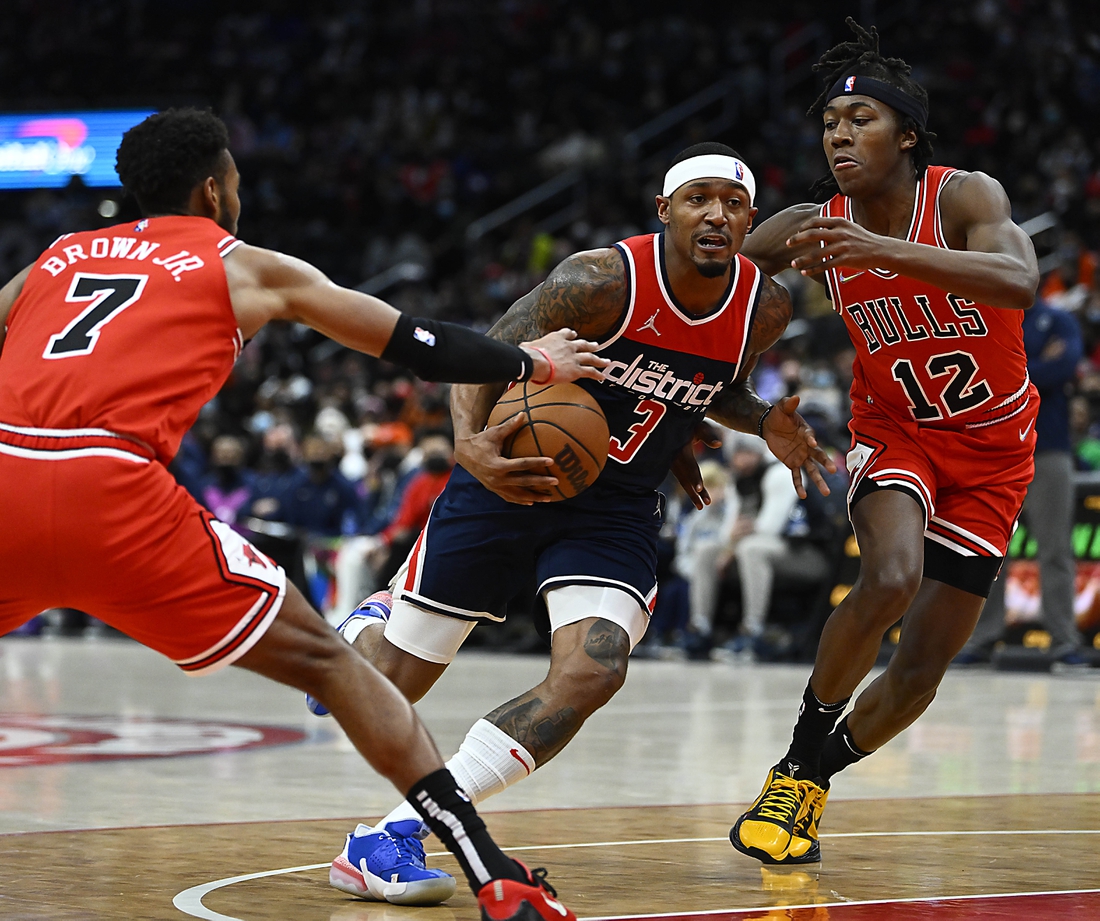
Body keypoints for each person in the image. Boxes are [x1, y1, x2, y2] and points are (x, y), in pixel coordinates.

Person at [0, 107, 610, 921]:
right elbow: (412, 341)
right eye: (238, 183)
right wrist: (529, 357)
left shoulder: (56, 256)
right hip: (110, 486)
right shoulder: (242, 265)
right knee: (333, 668)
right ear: (213, 189)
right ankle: (491, 870)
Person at [314, 142, 835, 904]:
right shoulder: (601, 279)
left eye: (733, 201)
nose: (716, 213)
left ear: (750, 218)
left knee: (593, 668)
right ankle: (367, 626)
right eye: (699, 199)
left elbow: (708, 383)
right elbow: (489, 351)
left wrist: (759, 421)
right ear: (664, 212)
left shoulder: (767, 307)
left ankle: (392, 833)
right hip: (509, 477)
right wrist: (470, 447)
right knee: (389, 685)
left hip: (613, 504)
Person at [727, 19, 1040, 867]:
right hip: (896, 431)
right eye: (829, 124)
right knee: (891, 575)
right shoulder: (810, 223)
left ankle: (811, 779)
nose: (839, 135)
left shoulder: (964, 196)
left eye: (860, 120)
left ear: (906, 134)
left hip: (995, 449)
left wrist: (885, 251)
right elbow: (703, 293)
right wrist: (715, 404)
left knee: (923, 669)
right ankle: (799, 753)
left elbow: (1021, 279)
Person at [957, 297, 1086, 665]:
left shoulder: (1057, 319)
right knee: (988, 548)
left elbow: (1064, 366)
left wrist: (1008, 370)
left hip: (1048, 449)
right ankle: (982, 639)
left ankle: (1064, 641)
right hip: (997, 450)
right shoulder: (981, 316)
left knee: (1056, 548)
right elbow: (976, 374)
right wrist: (1033, 366)